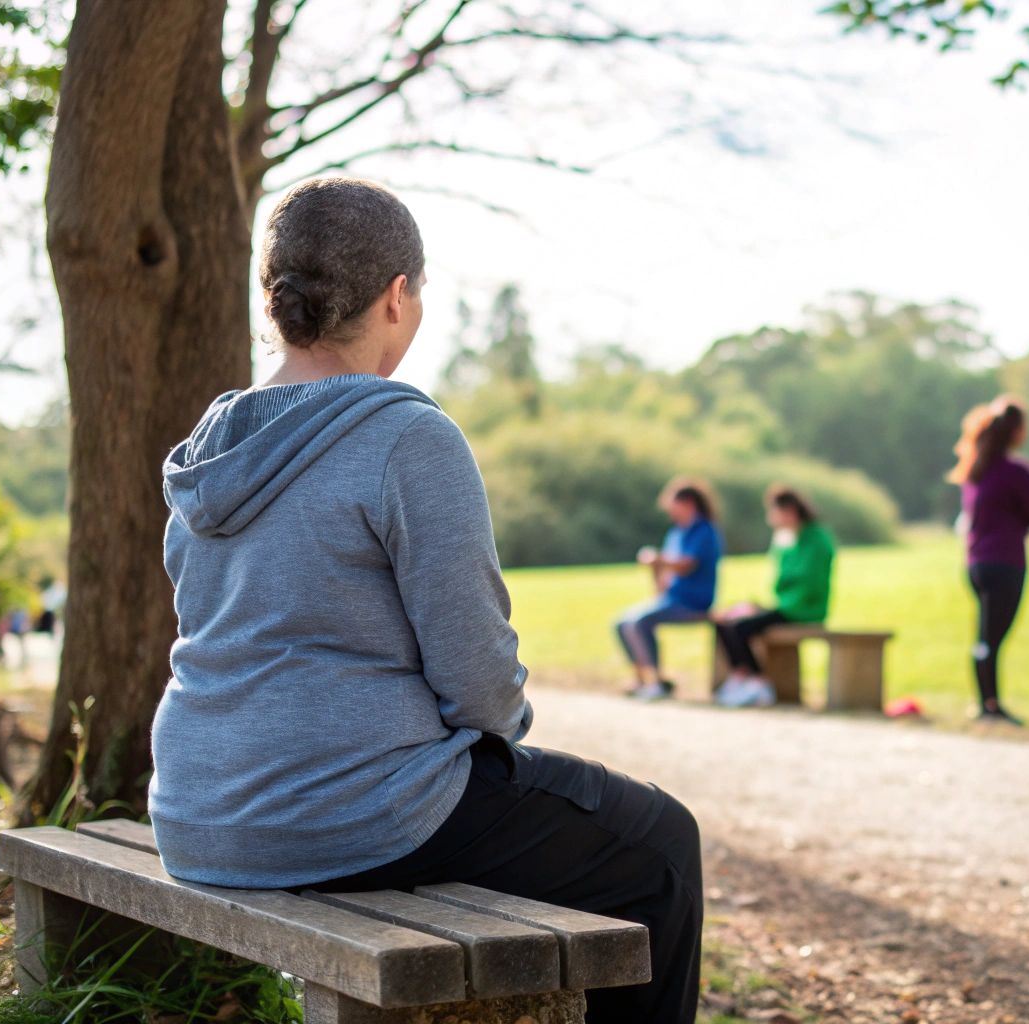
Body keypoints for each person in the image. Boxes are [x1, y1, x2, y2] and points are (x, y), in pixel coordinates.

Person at [149, 177, 700, 1024]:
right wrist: (496, 741)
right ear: (397, 296)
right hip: (348, 817)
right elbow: (479, 679)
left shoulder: (211, 446)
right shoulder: (405, 435)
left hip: (196, 813)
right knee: (662, 843)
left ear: (275, 299)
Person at [949, 395, 1029, 726]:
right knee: (993, 638)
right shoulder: (1017, 470)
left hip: (976, 564)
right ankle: (990, 707)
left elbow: (1009, 507)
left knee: (984, 635)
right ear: (1018, 431)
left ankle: (985, 702)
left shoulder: (976, 470)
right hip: (1005, 563)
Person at [712, 485, 837, 708]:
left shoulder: (817, 539)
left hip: (804, 609)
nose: (771, 520)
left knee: (742, 627)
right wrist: (759, 606)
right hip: (784, 605)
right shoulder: (785, 538)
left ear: (789, 511)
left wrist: (770, 609)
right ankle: (741, 677)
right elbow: (779, 582)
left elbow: (808, 583)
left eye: (774, 513)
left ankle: (759, 683)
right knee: (723, 620)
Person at [615, 478, 723, 701]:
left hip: (693, 601)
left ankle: (656, 681)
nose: (671, 514)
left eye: (674, 508)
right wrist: (657, 569)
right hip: (671, 599)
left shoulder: (704, 531)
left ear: (689, 503)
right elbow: (665, 574)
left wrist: (658, 559)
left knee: (639, 622)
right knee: (621, 622)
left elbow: (686, 565)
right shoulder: (676, 533)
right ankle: (643, 677)